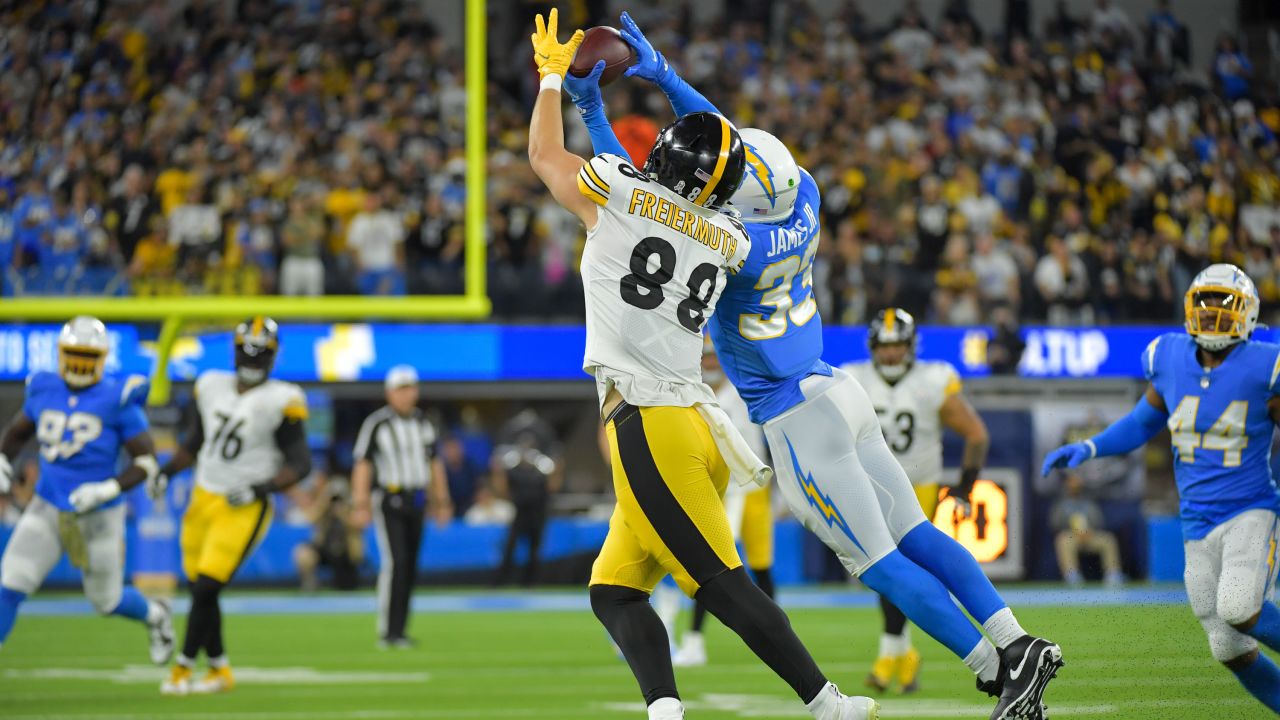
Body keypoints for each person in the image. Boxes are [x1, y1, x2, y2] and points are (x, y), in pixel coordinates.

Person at [616, 14, 1061, 720]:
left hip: (795, 415)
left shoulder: (730, 243)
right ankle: (1014, 638)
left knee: (878, 562)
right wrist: (668, 78)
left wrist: (592, 110)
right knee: (916, 533)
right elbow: (726, 147)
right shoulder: (807, 194)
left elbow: (649, 198)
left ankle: (995, 670)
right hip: (836, 385)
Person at [528, 10, 878, 720]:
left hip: (653, 428)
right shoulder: (726, 233)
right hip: (690, 427)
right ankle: (665, 710)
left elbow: (544, 157)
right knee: (615, 590)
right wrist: (649, 94)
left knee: (721, 585)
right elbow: (704, 171)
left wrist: (552, 83)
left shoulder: (623, 194)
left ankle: (828, 703)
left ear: (658, 160)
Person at [1044, 264, 1280, 713]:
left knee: (1239, 607)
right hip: (1196, 519)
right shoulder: (1169, 357)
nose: (1212, 315)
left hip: (1252, 508)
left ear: (1248, 314)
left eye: (1224, 306)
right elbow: (1141, 423)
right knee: (1227, 646)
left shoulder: (1264, 366)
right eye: (1205, 305)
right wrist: (1090, 447)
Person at [0, 316, 173, 661]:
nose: (80, 363)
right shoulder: (43, 387)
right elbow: (18, 434)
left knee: (106, 601)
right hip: (48, 506)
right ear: (61, 354)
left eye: (88, 355)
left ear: (103, 358)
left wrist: (107, 489)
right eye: (74, 353)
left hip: (99, 516)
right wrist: (3, 459)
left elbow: (147, 462)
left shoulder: (117, 397)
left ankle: (156, 615)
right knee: (10, 585)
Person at [156, 317, 312, 695]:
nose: (253, 359)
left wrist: (260, 489)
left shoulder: (283, 398)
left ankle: (183, 668)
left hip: (243, 505)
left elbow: (301, 464)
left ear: (273, 358)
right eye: (248, 350)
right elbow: (194, 442)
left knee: (207, 587)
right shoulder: (210, 385)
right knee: (200, 589)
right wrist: (165, 472)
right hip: (202, 495)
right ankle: (220, 670)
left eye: (261, 353)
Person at [844, 309, 992, 695]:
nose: (891, 354)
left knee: (894, 569)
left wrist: (964, 488)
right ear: (874, 347)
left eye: (898, 346)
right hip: (870, 486)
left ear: (910, 347)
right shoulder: (853, 379)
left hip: (916, 487)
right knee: (884, 572)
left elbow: (977, 435)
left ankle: (890, 656)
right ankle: (903, 654)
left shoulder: (934, 379)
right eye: (885, 346)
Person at [672, 344, 776, 668]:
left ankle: (775, 635)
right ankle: (694, 639)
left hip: (752, 488)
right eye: (705, 357)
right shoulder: (690, 392)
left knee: (761, 565)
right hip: (716, 490)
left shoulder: (745, 389)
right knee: (712, 566)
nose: (711, 362)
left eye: (715, 356)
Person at [350, 365, 451, 648]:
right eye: (401, 389)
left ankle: (401, 629)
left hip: (416, 498)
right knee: (396, 563)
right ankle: (388, 630)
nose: (407, 395)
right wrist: (360, 503)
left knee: (410, 566)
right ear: (389, 393)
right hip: (389, 498)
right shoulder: (377, 423)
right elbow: (363, 464)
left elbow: (434, 463)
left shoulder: (423, 423)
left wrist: (441, 500)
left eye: (411, 388)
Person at [491, 409, 561, 587]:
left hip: (538, 499)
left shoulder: (544, 442)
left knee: (535, 544)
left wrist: (553, 486)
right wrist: (504, 492)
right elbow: (498, 467)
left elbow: (556, 466)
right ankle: (502, 580)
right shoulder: (511, 443)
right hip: (519, 500)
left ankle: (530, 582)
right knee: (511, 543)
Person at [1049, 474, 1124, 588]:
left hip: (1089, 535)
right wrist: (1073, 531)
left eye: (1077, 483)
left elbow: (1098, 521)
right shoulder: (1061, 504)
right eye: (1072, 483)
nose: (1074, 486)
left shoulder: (1088, 503)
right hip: (1072, 536)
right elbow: (1055, 524)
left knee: (1108, 539)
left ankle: (1112, 573)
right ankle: (1072, 575)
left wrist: (1089, 531)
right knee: (1062, 540)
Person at [294, 478, 365, 592]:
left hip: (346, 553)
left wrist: (343, 514)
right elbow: (310, 518)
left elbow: (359, 525)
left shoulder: (350, 509)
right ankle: (310, 582)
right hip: (324, 549)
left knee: (346, 588)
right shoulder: (323, 509)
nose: (336, 503)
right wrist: (324, 502)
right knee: (303, 553)